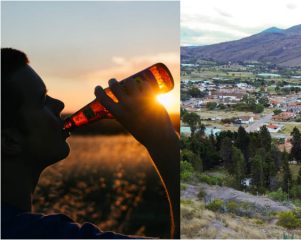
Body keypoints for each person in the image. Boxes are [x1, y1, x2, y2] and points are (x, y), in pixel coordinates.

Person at [1, 48, 180, 238]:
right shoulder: (41, 234)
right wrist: (163, 140)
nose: (59, 104)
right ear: (9, 140)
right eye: (42, 100)